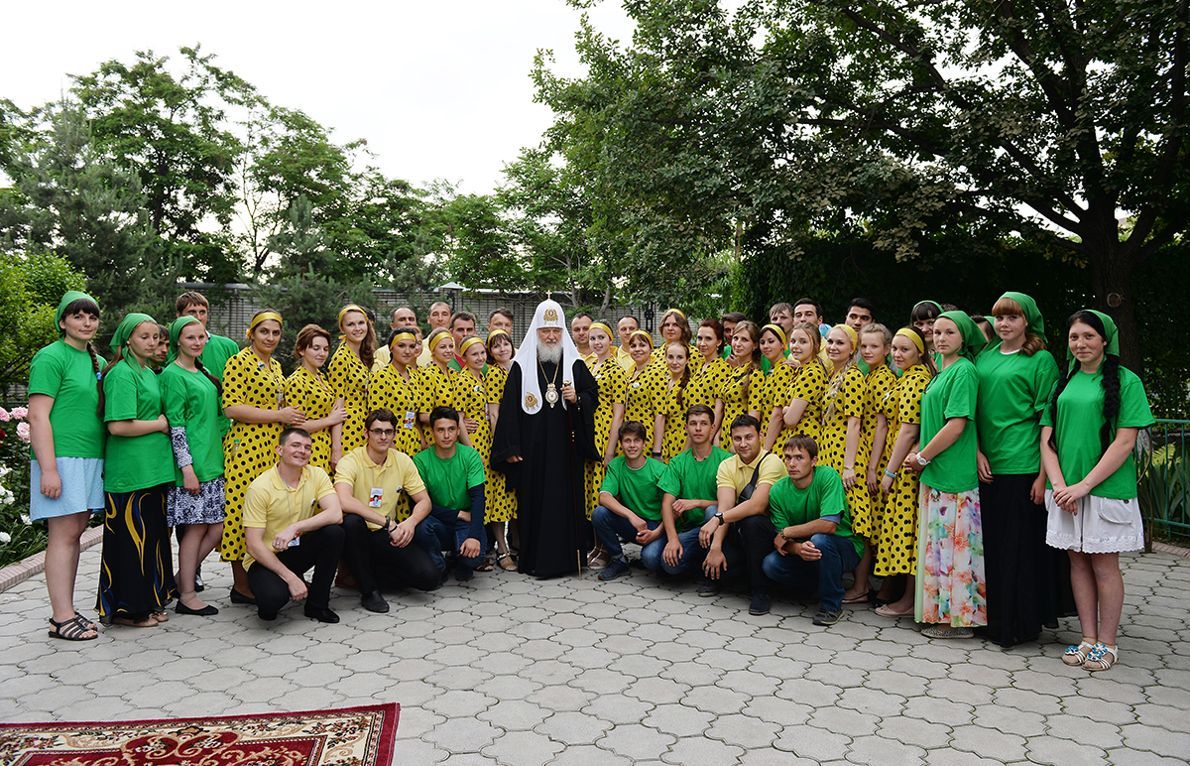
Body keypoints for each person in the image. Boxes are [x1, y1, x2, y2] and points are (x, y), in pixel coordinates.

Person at [1041, 310, 1153, 672]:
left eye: (1089, 336)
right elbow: (1047, 440)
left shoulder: (1126, 382)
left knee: (1105, 566)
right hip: (1066, 492)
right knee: (1077, 562)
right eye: (1074, 337)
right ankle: (1088, 638)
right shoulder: (1064, 382)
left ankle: (1108, 643)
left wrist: (1084, 486)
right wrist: (1060, 486)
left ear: (1105, 340)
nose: (1080, 344)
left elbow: (1124, 442)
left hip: (1104, 491)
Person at [976, 292, 1065, 647]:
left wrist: (1043, 476)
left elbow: (1048, 419)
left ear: (1027, 321)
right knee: (993, 546)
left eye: (1012, 317)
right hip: (987, 464)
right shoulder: (985, 356)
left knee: (1018, 549)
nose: (1004, 324)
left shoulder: (1041, 360)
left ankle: (1018, 624)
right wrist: (977, 451)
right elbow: (973, 410)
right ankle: (992, 617)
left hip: (1023, 465)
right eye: (999, 317)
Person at [491, 299, 600, 578]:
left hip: (566, 451)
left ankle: (567, 561)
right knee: (534, 503)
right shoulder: (521, 365)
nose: (551, 336)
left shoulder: (574, 363)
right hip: (533, 451)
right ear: (536, 331)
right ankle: (534, 561)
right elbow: (509, 409)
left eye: (555, 331)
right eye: (545, 331)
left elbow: (593, 395)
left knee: (564, 503)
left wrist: (577, 399)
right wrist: (511, 447)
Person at [906, 310, 988, 639]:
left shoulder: (964, 371)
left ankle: (959, 621)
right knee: (939, 548)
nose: (940, 338)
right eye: (937, 332)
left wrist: (922, 456)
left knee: (956, 549)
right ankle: (938, 614)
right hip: (936, 470)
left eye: (949, 332)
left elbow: (956, 425)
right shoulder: (942, 369)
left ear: (964, 337)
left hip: (953, 472)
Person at [28, 291, 105, 640]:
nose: (86, 323)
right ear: (62, 322)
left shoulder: (95, 360)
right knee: (62, 535)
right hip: (61, 458)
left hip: (90, 457)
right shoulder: (50, 357)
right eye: (78, 316)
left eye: (92, 317)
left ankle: (67, 611)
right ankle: (61, 617)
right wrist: (48, 469)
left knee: (74, 533)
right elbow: (37, 416)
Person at [97, 312, 177, 627]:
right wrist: (159, 424)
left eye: (155, 337)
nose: (152, 342)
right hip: (130, 474)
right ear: (127, 339)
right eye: (144, 337)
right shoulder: (121, 373)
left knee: (153, 541)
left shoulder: (148, 372)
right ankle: (128, 611)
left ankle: (151, 602)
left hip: (154, 471)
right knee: (132, 544)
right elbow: (118, 426)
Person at [221, 309, 295, 605]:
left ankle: (264, 574)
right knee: (242, 512)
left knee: (268, 511)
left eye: (276, 332)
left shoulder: (275, 365)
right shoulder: (238, 361)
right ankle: (241, 585)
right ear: (251, 333)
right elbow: (231, 408)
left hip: (271, 445)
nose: (270, 337)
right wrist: (278, 415)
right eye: (264, 331)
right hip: (248, 446)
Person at [336, 409, 440, 612]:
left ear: (394, 434)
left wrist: (410, 523)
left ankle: (362, 574)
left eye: (388, 432)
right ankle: (369, 592)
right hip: (356, 535)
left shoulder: (402, 460)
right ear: (366, 433)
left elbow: (424, 501)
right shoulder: (350, 461)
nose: (383, 437)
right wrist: (386, 522)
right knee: (352, 522)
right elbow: (343, 500)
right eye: (377, 431)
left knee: (430, 578)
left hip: (385, 534)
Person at [160, 316, 226, 617]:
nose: (198, 342)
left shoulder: (203, 371)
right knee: (196, 529)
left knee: (217, 528)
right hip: (194, 465)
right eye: (190, 337)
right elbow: (176, 425)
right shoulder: (173, 375)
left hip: (212, 461)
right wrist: (186, 468)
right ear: (178, 341)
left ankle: (178, 581)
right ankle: (187, 594)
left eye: (201, 337)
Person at [243, 428, 344, 622]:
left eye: (307, 447)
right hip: (266, 558)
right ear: (279, 450)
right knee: (271, 602)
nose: (302, 451)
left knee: (334, 533)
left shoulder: (316, 474)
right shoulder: (260, 487)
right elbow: (253, 545)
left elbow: (336, 513)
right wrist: (291, 578)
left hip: (296, 550)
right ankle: (280, 585)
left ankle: (317, 605)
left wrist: (295, 528)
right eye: (295, 445)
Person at [762, 436, 864, 626]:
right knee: (770, 564)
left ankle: (831, 606)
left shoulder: (827, 476)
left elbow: (829, 525)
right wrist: (798, 549)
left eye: (799, 457)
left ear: (814, 460)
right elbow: (781, 541)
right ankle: (818, 587)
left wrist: (788, 532)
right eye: (788, 457)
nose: (792, 464)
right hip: (806, 550)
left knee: (820, 540)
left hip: (844, 547)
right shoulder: (777, 491)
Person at [697, 415, 786, 614]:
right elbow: (725, 505)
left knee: (751, 521)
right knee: (713, 513)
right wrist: (716, 547)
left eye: (749, 437)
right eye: (737, 439)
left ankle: (760, 590)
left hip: (772, 533)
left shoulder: (772, 462)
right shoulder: (727, 465)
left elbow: (757, 505)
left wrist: (718, 519)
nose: (743, 444)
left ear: (760, 436)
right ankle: (721, 574)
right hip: (742, 533)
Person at [818, 325, 873, 596]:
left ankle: (861, 586)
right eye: (830, 341)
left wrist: (849, 465)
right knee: (838, 516)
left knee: (857, 520)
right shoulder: (835, 374)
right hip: (830, 451)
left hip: (846, 455)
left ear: (853, 349)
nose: (833, 347)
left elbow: (854, 423)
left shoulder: (852, 377)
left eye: (840, 343)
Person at [847, 323, 896, 601]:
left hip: (876, 456)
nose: (867, 351)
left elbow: (881, 427)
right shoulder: (869, 374)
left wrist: (872, 467)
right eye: (864, 346)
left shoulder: (883, 379)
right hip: (869, 454)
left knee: (868, 525)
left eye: (874, 346)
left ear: (886, 349)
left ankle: (863, 586)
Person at [653, 405, 731, 576]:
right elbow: (667, 504)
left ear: (712, 428)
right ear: (686, 427)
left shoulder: (726, 460)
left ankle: (711, 573)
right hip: (690, 529)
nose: (698, 428)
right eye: (693, 423)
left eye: (703, 423)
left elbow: (731, 505)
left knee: (712, 511)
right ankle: (698, 564)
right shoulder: (678, 462)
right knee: (660, 561)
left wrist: (698, 503)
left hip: (720, 527)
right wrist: (673, 540)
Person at [413, 407, 488, 581]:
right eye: (440, 430)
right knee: (421, 527)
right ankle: (439, 566)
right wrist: (458, 514)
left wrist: (474, 536)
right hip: (439, 520)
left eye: (451, 429)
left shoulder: (470, 456)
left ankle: (458, 557)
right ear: (433, 432)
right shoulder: (421, 460)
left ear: (458, 431)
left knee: (473, 560)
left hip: (465, 522)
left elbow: (478, 498)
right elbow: (420, 504)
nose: (446, 435)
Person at [592, 421, 668, 580]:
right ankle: (619, 560)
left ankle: (654, 555)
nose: (632, 445)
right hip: (633, 523)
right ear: (621, 444)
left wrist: (656, 533)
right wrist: (631, 516)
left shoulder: (660, 470)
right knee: (599, 514)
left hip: (658, 526)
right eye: (627, 440)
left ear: (644, 443)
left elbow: (672, 509)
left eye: (637, 440)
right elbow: (604, 497)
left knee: (651, 559)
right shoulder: (616, 466)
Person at [584, 322, 627, 568]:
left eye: (601, 337)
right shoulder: (589, 365)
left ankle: (606, 548)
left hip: (605, 434)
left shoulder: (616, 369)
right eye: (593, 338)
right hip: (588, 432)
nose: (597, 342)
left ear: (611, 340)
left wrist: (610, 449)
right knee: (590, 491)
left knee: (602, 492)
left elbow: (619, 413)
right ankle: (595, 544)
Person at [286, 325, 347, 475]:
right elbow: (296, 427)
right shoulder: (296, 381)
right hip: (308, 449)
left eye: (325, 349)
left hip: (325, 447)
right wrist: (329, 420)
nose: (322, 353)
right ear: (301, 350)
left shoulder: (321, 377)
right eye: (316, 348)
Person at [483, 330, 518, 569]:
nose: (502, 348)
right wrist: (501, 446)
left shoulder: (518, 368)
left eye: (506, 344)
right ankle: (502, 549)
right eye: (496, 346)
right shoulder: (495, 374)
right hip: (502, 441)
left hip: (519, 439)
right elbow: (494, 413)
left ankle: (517, 544)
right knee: (499, 498)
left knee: (515, 498)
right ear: (491, 352)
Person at [367, 329, 427, 459]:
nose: (407, 351)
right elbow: (375, 417)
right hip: (389, 442)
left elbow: (414, 413)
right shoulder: (381, 377)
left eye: (412, 346)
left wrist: (422, 440)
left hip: (412, 440)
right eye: (401, 346)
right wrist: (391, 449)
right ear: (391, 348)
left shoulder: (415, 375)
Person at [328, 304, 375, 459]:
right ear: (342, 329)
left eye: (361, 323)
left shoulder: (361, 355)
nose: (357, 328)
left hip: (364, 426)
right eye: (351, 324)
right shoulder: (341, 358)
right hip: (348, 429)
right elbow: (338, 405)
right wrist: (336, 448)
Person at [174, 291, 241, 383]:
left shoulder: (229, 346)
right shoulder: (168, 348)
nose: (198, 317)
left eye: (202, 312)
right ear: (179, 315)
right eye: (192, 312)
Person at [779, 323, 828, 446]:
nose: (796, 346)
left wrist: (785, 409)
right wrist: (789, 410)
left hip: (805, 439)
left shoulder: (812, 374)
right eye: (793, 341)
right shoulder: (802, 370)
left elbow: (790, 420)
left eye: (803, 342)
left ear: (816, 345)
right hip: (797, 438)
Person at [718, 321, 764, 451]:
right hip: (726, 435)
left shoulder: (755, 374)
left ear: (755, 345)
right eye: (735, 338)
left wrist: (740, 443)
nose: (738, 344)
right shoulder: (735, 371)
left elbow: (754, 416)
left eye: (744, 340)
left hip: (740, 440)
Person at [622, 330, 666, 450]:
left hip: (645, 436)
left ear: (651, 348)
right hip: (627, 434)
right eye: (633, 346)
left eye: (642, 345)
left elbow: (660, 414)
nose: (637, 349)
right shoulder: (629, 373)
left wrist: (657, 449)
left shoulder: (656, 373)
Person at [688, 319, 729, 439]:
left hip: (706, 433)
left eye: (708, 339)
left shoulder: (722, 368)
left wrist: (709, 437)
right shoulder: (699, 366)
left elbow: (719, 409)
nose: (702, 343)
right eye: (699, 338)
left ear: (719, 342)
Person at [757, 324, 795, 451]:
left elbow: (777, 414)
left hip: (777, 440)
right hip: (767, 435)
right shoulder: (772, 370)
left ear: (783, 344)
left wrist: (765, 450)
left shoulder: (784, 369)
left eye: (771, 341)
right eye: (762, 342)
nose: (766, 346)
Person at [654, 342, 692, 462]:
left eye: (680, 357)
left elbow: (695, 423)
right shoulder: (663, 382)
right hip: (663, 442)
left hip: (681, 443)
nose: (674, 362)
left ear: (687, 360)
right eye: (670, 357)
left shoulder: (691, 386)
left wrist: (685, 455)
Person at [371, 305, 418, 372]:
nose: (408, 322)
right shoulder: (381, 353)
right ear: (392, 326)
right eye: (402, 319)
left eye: (411, 319)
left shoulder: (427, 351)